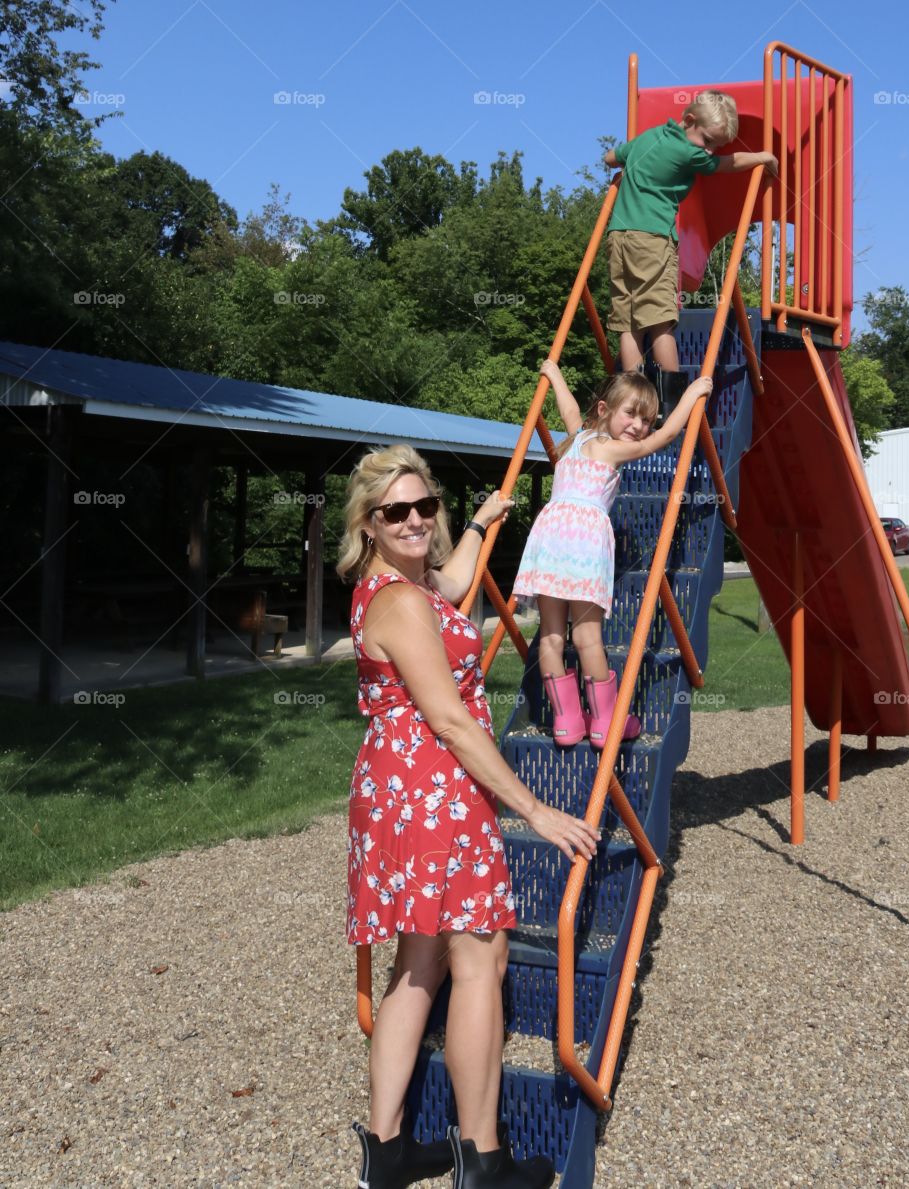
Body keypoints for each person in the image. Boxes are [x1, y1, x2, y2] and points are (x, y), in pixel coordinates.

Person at [338, 444, 600, 1189]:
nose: (417, 519)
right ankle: (483, 1159)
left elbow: (452, 582)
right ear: (369, 524)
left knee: (417, 965)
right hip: (435, 792)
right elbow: (451, 720)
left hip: (397, 791)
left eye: (427, 506)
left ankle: (386, 1153)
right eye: (398, 511)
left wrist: (483, 523)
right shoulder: (399, 601)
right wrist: (535, 808)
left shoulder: (396, 587)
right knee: (479, 960)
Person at [513, 360, 713, 748]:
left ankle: (567, 722)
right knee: (588, 638)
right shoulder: (615, 450)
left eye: (647, 419)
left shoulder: (578, 439)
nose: (639, 427)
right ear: (605, 410)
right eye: (632, 414)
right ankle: (605, 722)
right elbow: (667, 436)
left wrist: (556, 375)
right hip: (584, 546)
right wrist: (693, 392)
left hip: (550, 541)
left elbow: (570, 409)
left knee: (551, 638)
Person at [603, 89, 778, 376]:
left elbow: (612, 157)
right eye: (707, 141)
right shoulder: (687, 151)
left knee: (629, 324)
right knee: (661, 323)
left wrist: (625, 168)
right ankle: (672, 406)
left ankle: (631, 400)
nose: (708, 150)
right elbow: (725, 165)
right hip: (653, 239)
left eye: (715, 146)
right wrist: (761, 156)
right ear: (689, 120)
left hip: (619, 236)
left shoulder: (650, 137)